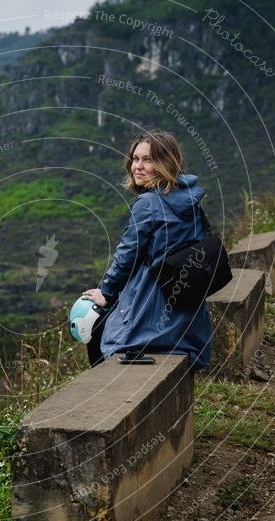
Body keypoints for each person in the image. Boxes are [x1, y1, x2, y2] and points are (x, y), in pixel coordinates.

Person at [81, 130, 212, 369]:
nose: (137, 166)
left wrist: (107, 293)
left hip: (153, 308)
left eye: (148, 160)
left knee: (95, 329)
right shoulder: (189, 198)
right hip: (186, 315)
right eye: (135, 159)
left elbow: (126, 256)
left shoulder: (148, 203)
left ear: (165, 163)